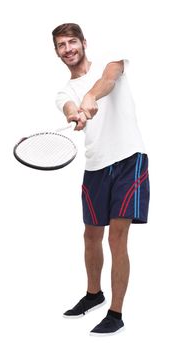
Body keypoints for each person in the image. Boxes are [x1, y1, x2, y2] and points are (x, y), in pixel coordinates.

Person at [52, 23, 150, 336]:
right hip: (95, 167)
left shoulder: (112, 58)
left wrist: (92, 96)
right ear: (57, 52)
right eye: (61, 45)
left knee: (116, 236)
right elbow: (68, 105)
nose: (68, 49)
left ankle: (116, 313)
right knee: (90, 235)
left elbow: (108, 79)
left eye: (71, 42)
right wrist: (74, 113)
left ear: (83, 42)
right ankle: (93, 294)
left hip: (127, 159)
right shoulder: (64, 91)